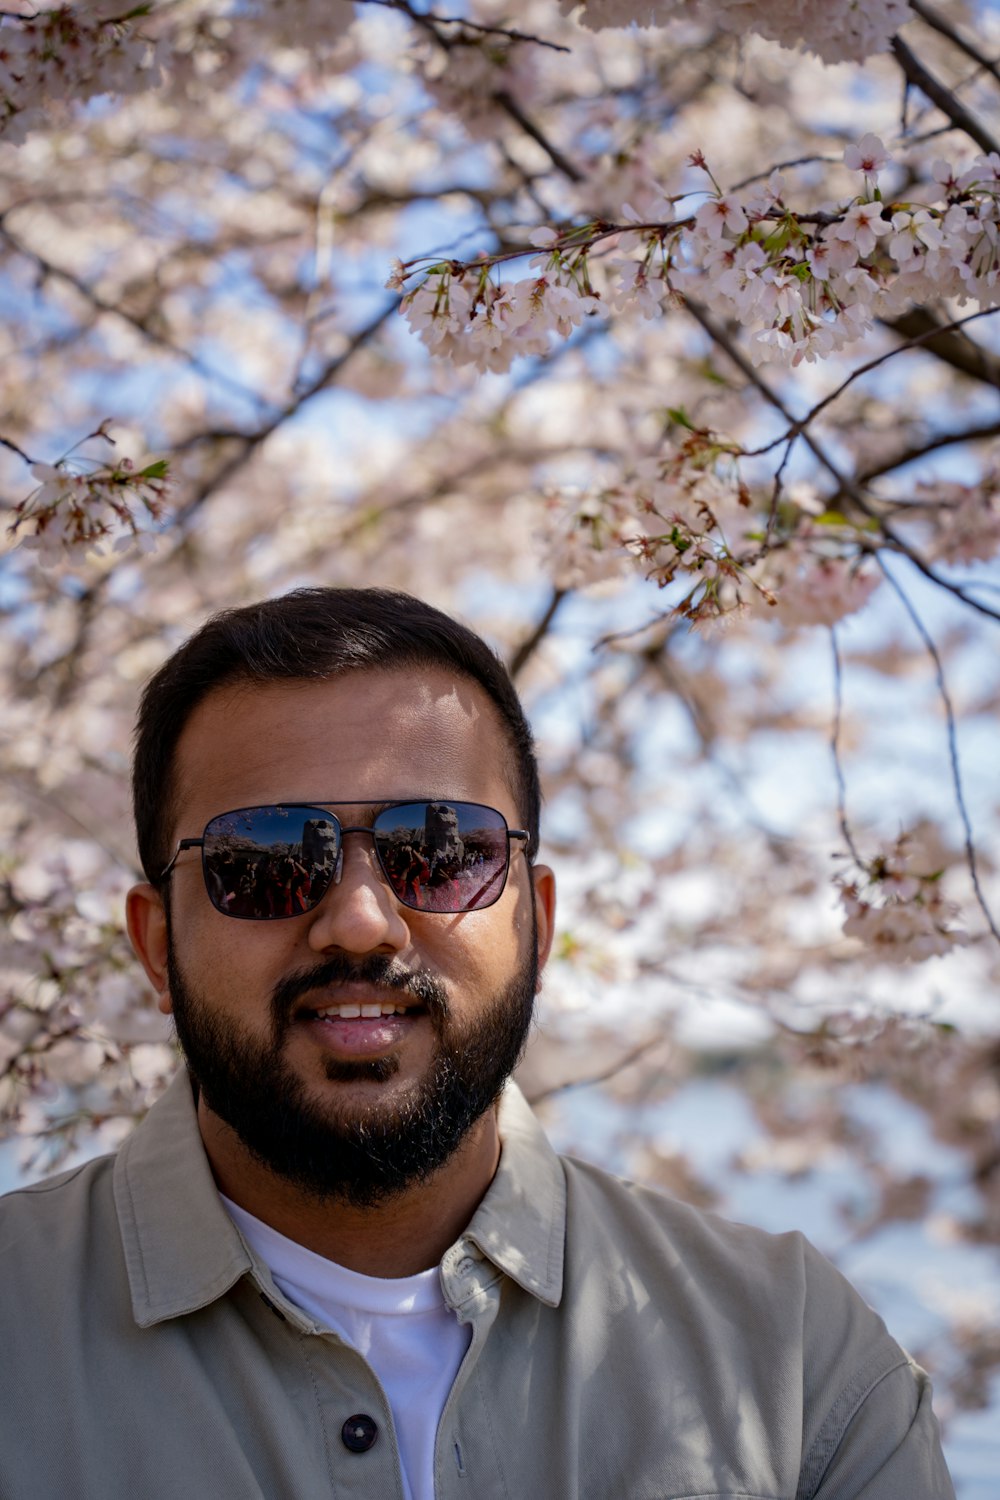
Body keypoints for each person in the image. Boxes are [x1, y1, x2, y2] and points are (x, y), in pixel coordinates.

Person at [0, 587, 955, 1500]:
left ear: (536, 923)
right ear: (158, 945)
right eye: (268, 859)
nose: (362, 923)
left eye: (443, 851)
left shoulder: (794, 1358)